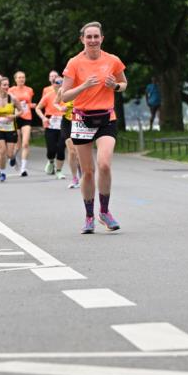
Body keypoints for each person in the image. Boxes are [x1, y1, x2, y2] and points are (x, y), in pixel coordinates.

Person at [60, 21, 127, 233]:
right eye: (88, 37)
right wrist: (84, 86)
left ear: (102, 38)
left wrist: (114, 86)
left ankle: (104, 212)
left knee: (104, 164)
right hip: (81, 119)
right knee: (88, 171)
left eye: (96, 36)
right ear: (82, 39)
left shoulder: (113, 60)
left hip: (106, 118)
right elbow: (64, 96)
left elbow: (124, 83)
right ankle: (89, 216)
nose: (92, 40)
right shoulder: (74, 63)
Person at [0, 77, 20, 182]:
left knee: (9, 154)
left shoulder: (13, 99)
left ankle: (13, 157)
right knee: (1, 151)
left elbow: (21, 111)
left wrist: (14, 116)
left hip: (11, 129)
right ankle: (2, 172)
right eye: (4, 85)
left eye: (7, 85)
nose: (6, 87)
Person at [35, 77, 67, 179]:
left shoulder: (68, 95)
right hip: (51, 123)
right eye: (57, 82)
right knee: (51, 149)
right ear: (53, 84)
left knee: (61, 147)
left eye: (62, 82)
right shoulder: (48, 95)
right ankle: (51, 161)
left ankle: (59, 171)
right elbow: (38, 108)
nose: (60, 84)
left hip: (64, 123)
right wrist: (43, 118)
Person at [9, 70, 35, 176]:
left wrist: (31, 105)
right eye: (19, 77)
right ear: (15, 79)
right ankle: (13, 156)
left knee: (25, 143)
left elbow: (29, 103)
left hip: (26, 117)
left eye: (23, 77)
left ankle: (23, 168)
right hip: (15, 117)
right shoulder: (11, 90)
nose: (21, 79)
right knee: (18, 145)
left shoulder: (29, 90)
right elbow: (8, 103)